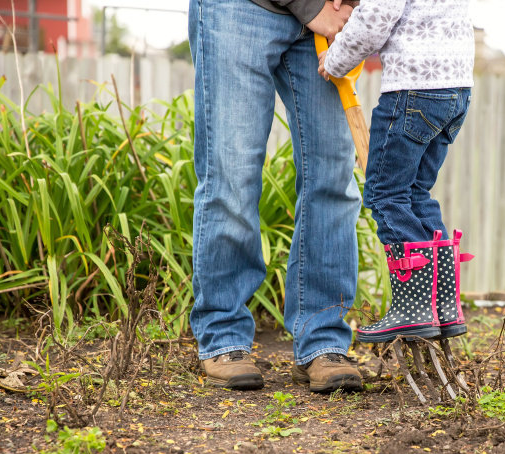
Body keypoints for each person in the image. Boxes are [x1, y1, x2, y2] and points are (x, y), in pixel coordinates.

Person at [188, 0, 365, 393]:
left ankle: (322, 340)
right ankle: (223, 336)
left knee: (333, 175)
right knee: (231, 173)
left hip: (327, 20)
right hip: (240, 9)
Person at [319, 0, 475, 343]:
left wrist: (335, 60)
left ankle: (415, 308)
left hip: (413, 89)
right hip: (456, 90)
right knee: (416, 194)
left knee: (385, 195)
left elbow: (375, 17)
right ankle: (443, 305)